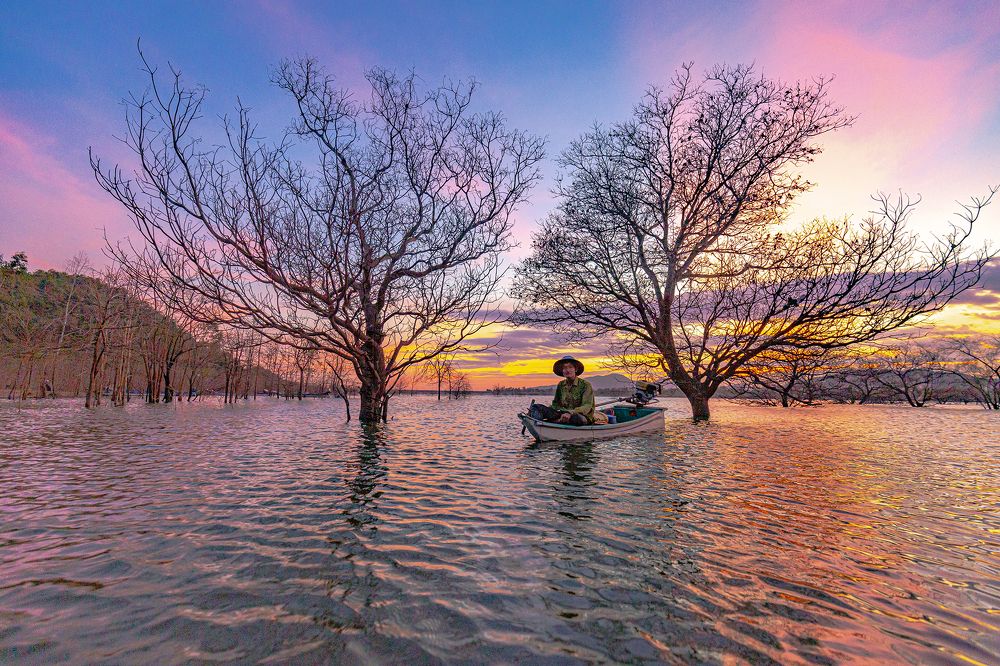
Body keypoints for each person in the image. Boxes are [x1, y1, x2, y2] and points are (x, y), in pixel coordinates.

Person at [529, 356, 595, 426]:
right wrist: (541, 411)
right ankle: (540, 426)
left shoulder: (585, 385)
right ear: (562, 371)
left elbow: (587, 406)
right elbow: (556, 404)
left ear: (576, 369)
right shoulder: (561, 385)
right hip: (562, 414)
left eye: (570, 367)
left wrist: (570, 413)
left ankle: (557, 422)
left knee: (575, 418)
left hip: (581, 416)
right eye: (564, 368)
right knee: (536, 407)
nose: (567, 370)